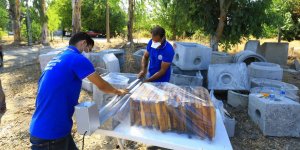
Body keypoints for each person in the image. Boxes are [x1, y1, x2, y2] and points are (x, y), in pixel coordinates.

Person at [29, 32, 128, 150]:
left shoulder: (59, 58)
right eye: (87, 50)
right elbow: (101, 85)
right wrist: (118, 91)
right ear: (83, 43)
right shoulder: (77, 58)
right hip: (51, 135)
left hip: (46, 127)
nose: (86, 53)